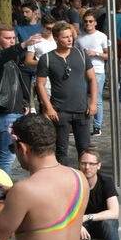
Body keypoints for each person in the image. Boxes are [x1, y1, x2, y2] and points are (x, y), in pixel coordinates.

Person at [36, 22, 98, 165]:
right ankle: (64, 182)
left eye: (71, 36)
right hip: (60, 111)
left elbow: (93, 79)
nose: (70, 39)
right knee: (61, 150)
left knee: (85, 149)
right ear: (57, 38)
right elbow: (40, 85)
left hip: (82, 110)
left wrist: (93, 102)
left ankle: (86, 180)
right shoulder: (46, 58)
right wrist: (49, 107)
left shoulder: (81, 54)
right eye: (65, 37)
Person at [0, 24, 41, 175]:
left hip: (16, 110)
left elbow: (16, 82)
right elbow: (3, 56)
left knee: (16, 153)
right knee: (7, 155)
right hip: (4, 112)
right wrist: (22, 44)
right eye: (7, 38)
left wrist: (24, 103)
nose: (11, 41)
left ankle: (3, 189)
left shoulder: (11, 58)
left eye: (13, 38)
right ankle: (1, 192)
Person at [75, 10, 109, 137]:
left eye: (90, 21)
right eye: (86, 21)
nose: (88, 24)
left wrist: (96, 53)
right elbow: (74, 53)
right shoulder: (79, 38)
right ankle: (83, 124)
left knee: (97, 99)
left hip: (98, 71)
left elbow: (109, 55)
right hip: (82, 71)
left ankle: (97, 126)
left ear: (95, 23)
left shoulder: (102, 36)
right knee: (82, 98)